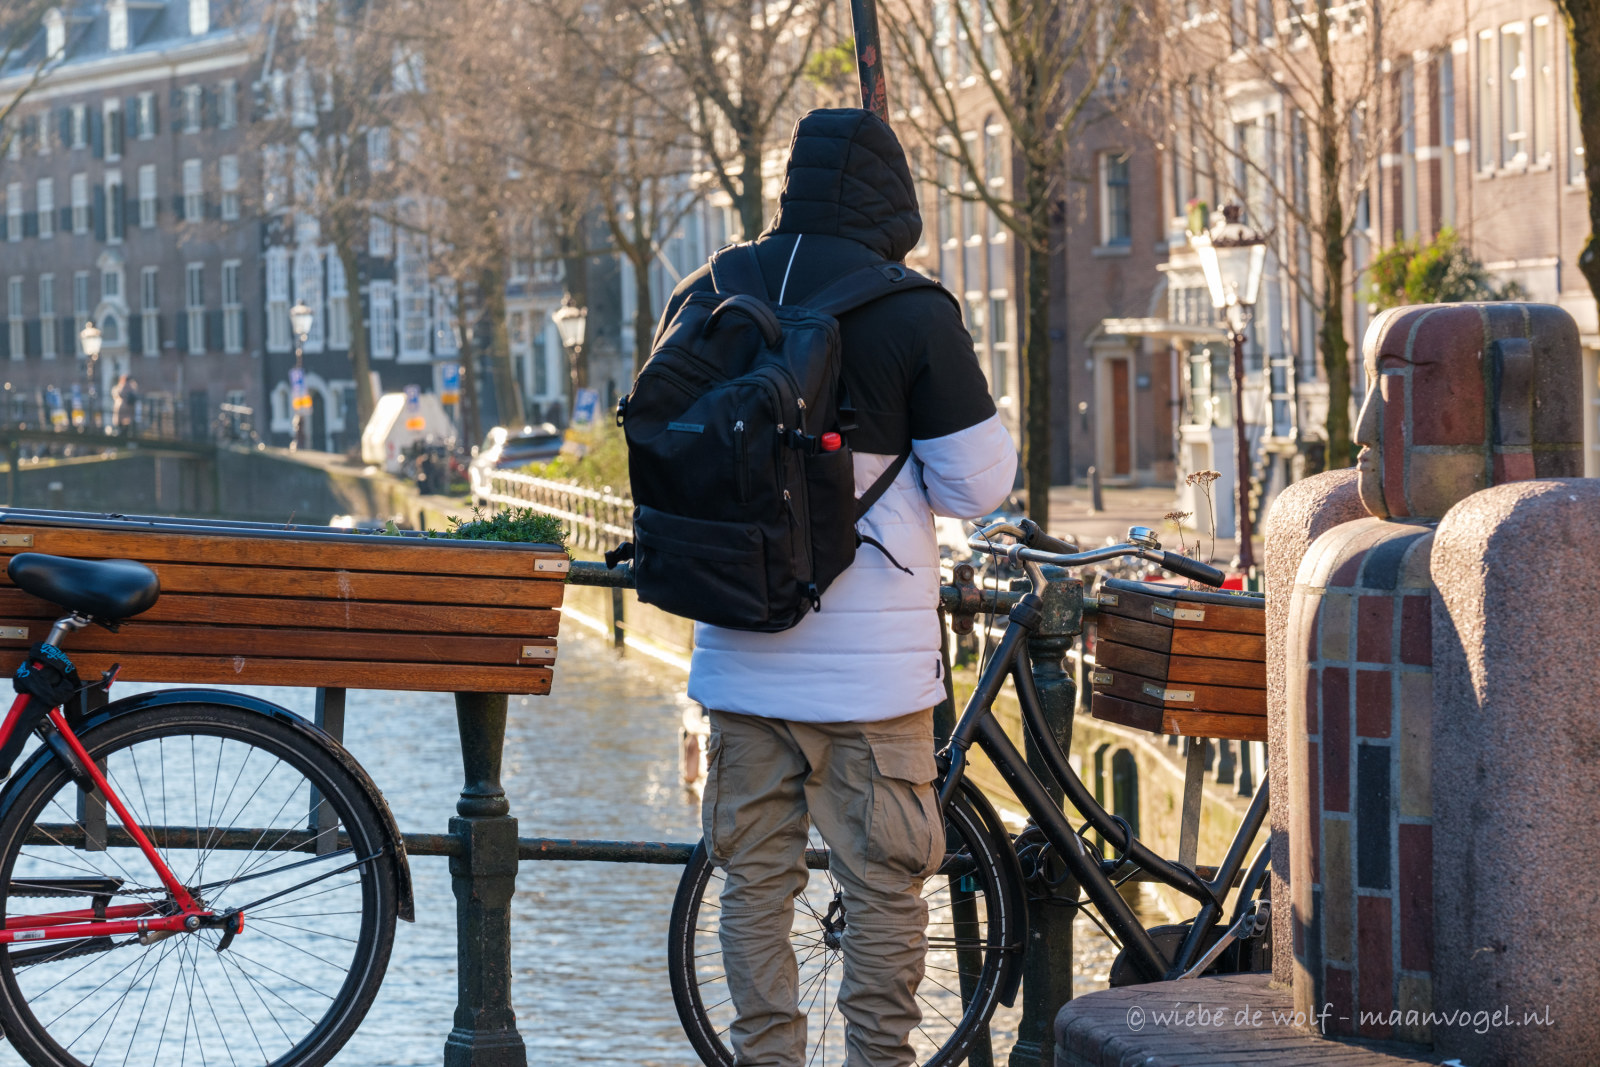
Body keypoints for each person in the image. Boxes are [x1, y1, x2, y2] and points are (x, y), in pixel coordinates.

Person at [656, 108, 1018, 1067]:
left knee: (752, 887)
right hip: (872, 681)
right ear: (893, 196)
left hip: (737, 653)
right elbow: (978, 486)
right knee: (886, 887)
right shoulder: (912, 310)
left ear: (791, 185)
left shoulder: (708, 290)